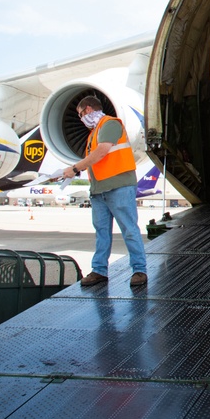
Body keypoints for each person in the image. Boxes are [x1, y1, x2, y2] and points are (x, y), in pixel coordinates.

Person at [64, 96, 148, 287]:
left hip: (119, 187)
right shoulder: (93, 133)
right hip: (99, 190)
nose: (81, 119)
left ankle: (139, 270)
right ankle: (99, 270)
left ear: (88, 109)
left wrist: (75, 168)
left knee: (129, 229)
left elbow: (102, 152)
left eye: (81, 115)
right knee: (102, 233)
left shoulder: (110, 125)